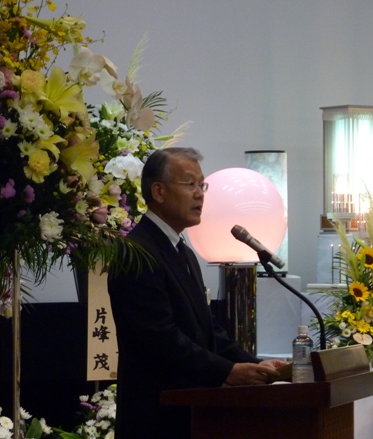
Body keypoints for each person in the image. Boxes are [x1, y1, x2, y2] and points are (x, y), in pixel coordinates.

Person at [108, 147, 289, 439]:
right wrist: (226, 372)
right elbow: (160, 338)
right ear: (158, 191)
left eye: (201, 185)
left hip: (193, 414)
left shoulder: (183, 252)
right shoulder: (136, 252)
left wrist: (256, 365)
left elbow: (207, 330)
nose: (200, 194)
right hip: (156, 417)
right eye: (189, 184)